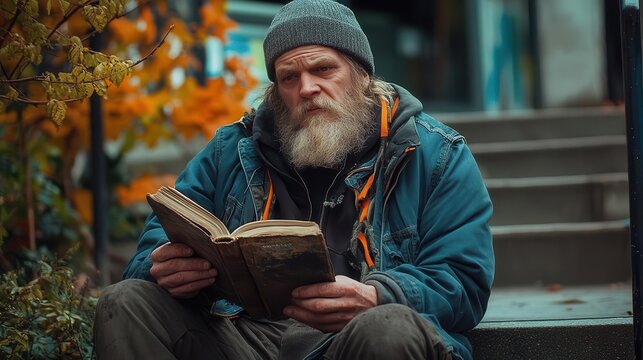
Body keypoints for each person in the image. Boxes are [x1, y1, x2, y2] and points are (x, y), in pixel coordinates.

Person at [94, 0, 494, 359]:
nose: (307, 88)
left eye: (323, 69)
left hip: (354, 336)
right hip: (244, 337)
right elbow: (152, 249)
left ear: (361, 74)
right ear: (276, 88)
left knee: (387, 326)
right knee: (126, 300)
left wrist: (379, 295)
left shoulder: (434, 153)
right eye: (289, 77)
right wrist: (159, 267)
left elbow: (463, 280)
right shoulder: (229, 150)